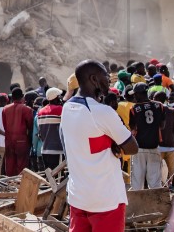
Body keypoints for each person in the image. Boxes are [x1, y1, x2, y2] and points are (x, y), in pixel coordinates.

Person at [61, 60, 138, 232]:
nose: (109, 79)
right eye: (105, 75)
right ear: (94, 79)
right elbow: (132, 148)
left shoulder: (67, 108)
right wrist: (115, 144)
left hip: (78, 197)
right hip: (106, 200)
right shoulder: (102, 112)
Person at [2, 87, 33, 176]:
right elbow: (30, 126)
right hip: (22, 141)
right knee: (22, 166)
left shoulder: (5, 109)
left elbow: (5, 125)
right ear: (22, 97)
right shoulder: (27, 109)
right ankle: (20, 186)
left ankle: (10, 185)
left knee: (10, 165)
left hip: (9, 141)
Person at [36, 87, 64, 170]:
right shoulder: (60, 110)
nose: (61, 98)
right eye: (59, 96)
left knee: (50, 177)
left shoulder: (40, 112)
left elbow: (40, 132)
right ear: (56, 97)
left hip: (45, 149)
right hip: (58, 150)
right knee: (58, 179)